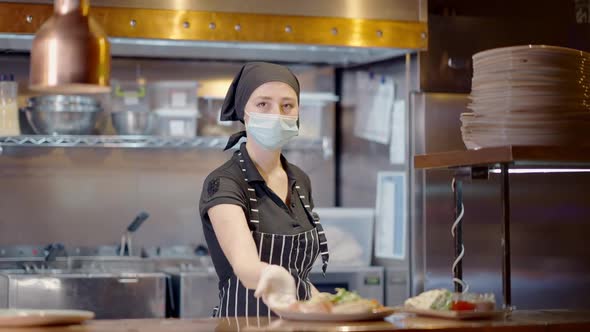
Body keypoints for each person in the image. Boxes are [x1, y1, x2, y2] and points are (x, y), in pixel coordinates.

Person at [199, 62, 329, 318]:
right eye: (263, 104)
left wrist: (325, 302)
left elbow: (298, 278)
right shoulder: (225, 182)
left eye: (287, 105)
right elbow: (245, 265)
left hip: (299, 325)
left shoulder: (300, 180)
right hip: (245, 324)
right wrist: (270, 275)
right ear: (243, 112)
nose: (277, 114)